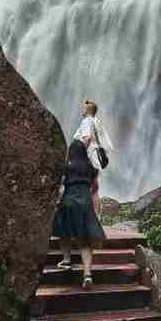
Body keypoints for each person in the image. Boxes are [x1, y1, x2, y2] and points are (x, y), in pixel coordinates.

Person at [53, 139, 105, 288]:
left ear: (71, 153)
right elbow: (95, 192)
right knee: (85, 240)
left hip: (69, 201)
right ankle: (87, 274)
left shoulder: (66, 168)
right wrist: (96, 211)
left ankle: (67, 260)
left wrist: (57, 202)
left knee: (64, 231)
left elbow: (59, 187)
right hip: (85, 204)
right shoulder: (92, 169)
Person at [74, 99, 114, 216]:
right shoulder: (97, 122)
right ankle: (95, 217)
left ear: (87, 110)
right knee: (95, 188)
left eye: (83, 108)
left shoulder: (87, 121)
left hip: (88, 157)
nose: (81, 110)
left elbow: (87, 138)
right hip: (96, 158)